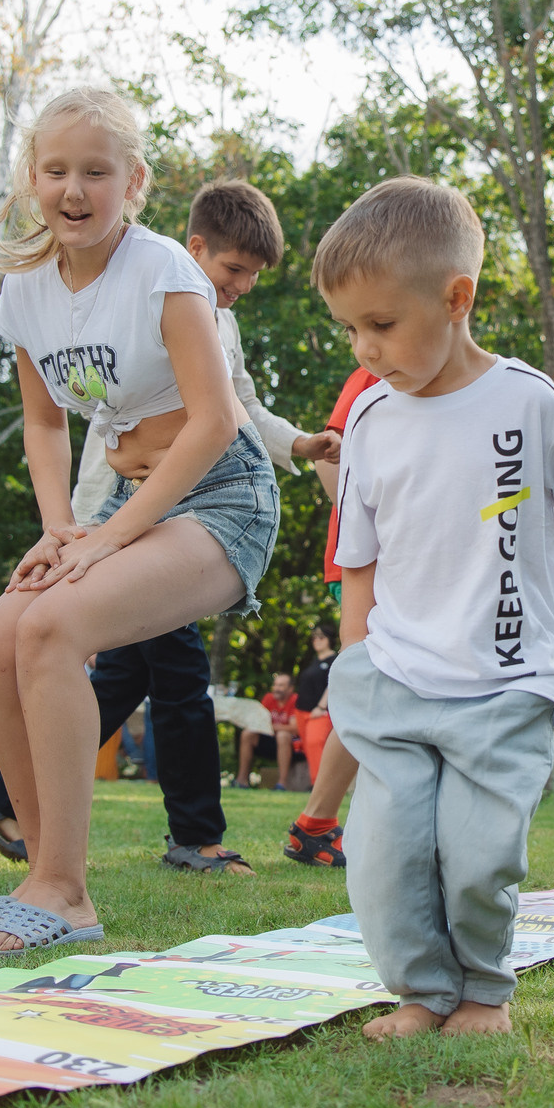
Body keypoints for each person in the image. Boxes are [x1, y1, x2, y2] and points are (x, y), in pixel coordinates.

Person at [317, 176, 554, 1038]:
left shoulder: (529, 402)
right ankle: (422, 993)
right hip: (397, 676)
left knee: (478, 854)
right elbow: (358, 556)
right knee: (384, 857)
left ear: (457, 297)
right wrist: (356, 659)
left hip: (510, 677)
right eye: (350, 328)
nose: (365, 347)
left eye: (381, 323)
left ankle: (481, 993)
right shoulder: (369, 421)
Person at [0, 90, 283, 954]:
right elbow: (44, 423)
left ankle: (65, 890)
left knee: (52, 626)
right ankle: (42, 870)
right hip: (119, 501)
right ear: (33, 178)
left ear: (132, 182)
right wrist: (61, 528)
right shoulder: (26, 290)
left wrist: (106, 536)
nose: (74, 189)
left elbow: (216, 421)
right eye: (56, 170)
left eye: (96, 171)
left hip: (226, 495)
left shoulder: (163, 268)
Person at [281, 368, 383, 867]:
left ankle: (318, 823)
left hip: (407, 560)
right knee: (372, 681)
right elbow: (330, 455)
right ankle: (316, 824)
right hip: (369, 560)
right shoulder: (372, 373)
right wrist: (371, 529)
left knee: (385, 686)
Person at [235, 671, 299, 789]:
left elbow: (294, 728)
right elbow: (259, 722)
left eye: (281, 685)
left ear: (290, 689)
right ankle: (241, 780)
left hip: (291, 745)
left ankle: (282, 783)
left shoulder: (294, 700)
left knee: (283, 735)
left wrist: (272, 727)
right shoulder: (269, 698)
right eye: (275, 685)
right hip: (268, 740)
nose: (276, 688)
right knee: (247, 733)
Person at [291, 625, 338, 783]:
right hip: (302, 712)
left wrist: (321, 706)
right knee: (308, 747)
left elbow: (333, 684)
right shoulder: (314, 661)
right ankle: (314, 783)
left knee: (315, 743)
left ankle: (320, 784)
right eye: (314, 637)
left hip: (320, 712)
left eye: (321, 637)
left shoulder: (335, 660)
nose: (316, 640)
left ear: (330, 640)